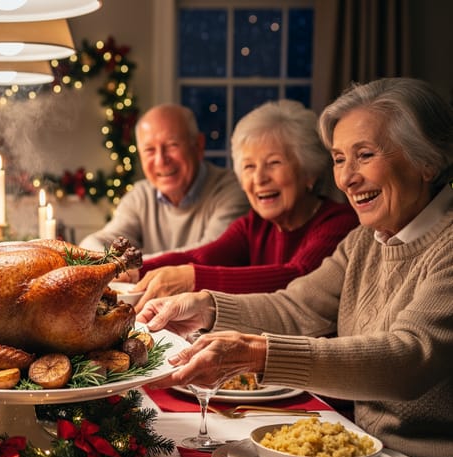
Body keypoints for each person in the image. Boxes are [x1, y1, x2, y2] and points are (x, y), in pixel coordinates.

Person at [138, 78, 453, 457]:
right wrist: (206, 307)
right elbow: (297, 307)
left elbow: (408, 359)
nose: (347, 179)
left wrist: (257, 353)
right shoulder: (364, 241)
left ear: (426, 161)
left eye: (364, 155)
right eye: (340, 159)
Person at [131, 100, 359, 306]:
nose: (259, 179)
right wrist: (130, 271)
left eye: (274, 163)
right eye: (249, 166)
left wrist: (194, 278)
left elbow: (298, 276)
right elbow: (201, 257)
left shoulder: (340, 223)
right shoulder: (253, 226)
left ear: (309, 172)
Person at [79, 104, 249, 256]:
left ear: (198, 145)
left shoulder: (231, 190)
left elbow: (210, 254)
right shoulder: (140, 196)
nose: (161, 160)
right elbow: (94, 244)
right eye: (149, 150)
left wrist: (135, 265)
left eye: (172, 145)